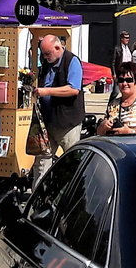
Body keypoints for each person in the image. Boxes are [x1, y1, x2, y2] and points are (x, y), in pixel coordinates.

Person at [29, 34, 86, 188]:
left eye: (48, 53)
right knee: (41, 164)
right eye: (44, 54)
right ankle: (37, 199)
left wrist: (47, 92)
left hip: (68, 123)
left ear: (58, 47)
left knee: (72, 163)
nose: (46, 57)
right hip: (48, 123)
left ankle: (76, 196)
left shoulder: (72, 61)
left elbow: (74, 89)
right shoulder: (47, 63)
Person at [96, 71, 136, 136]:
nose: (124, 83)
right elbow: (99, 133)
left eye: (129, 80)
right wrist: (103, 126)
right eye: (121, 80)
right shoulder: (114, 104)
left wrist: (131, 132)